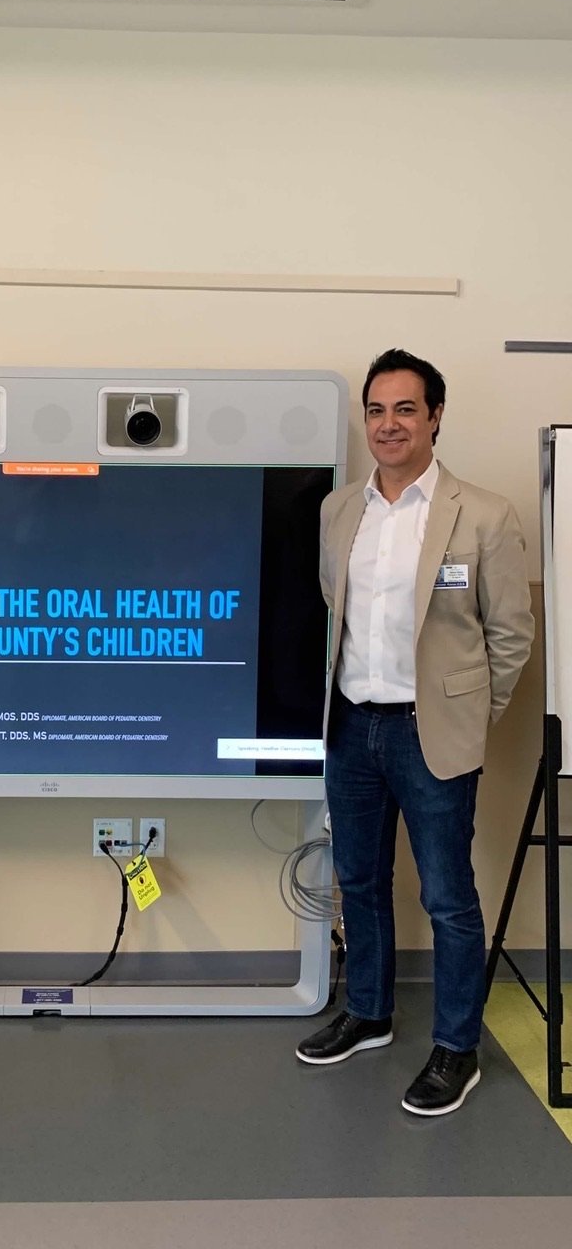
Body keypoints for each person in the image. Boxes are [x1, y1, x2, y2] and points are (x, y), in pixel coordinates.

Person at [296, 349, 534, 1116]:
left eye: (404, 409)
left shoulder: (485, 514)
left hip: (430, 735)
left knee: (446, 896)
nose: (387, 424)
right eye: (375, 410)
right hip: (352, 726)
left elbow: (510, 638)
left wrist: (466, 720)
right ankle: (368, 1011)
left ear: (435, 417)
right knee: (359, 882)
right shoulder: (340, 510)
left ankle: (455, 1049)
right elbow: (335, 609)